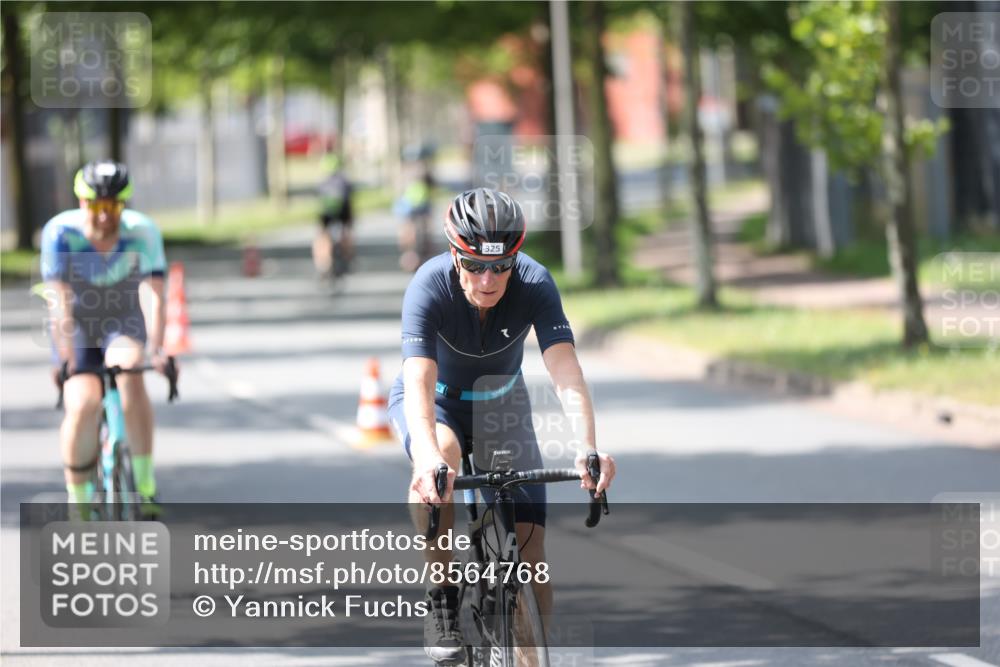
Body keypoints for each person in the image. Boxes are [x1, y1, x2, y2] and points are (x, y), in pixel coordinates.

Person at [387, 187, 616, 664]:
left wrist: (588, 446)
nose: (488, 279)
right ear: (454, 254)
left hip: (500, 404)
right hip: (437, 403)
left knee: (532, 564)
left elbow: (565, 369)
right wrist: (427, 457)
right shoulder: (428, 285)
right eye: (474, 265)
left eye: (501, 265)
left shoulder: (534, 282)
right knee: (440, 461)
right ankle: (442, 597)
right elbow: (419, 379)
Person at [41, 160, 173, 518]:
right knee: (83, 402)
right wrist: (68, 356)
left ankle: (144, 486)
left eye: (112, 207)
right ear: (82, 203)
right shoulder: (60, 233)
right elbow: (59, 301)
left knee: (131, 371)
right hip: (78, 322)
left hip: (122, 319)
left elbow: (155, 295)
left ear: (123, 206)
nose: (104, 216)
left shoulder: (142, 232)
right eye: (97, 206)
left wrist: (158, 349)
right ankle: (79, 501)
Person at [312, 153, 354, 278]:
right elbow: (350, 201)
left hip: (326, 214)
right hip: (343, 212)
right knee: (347, 233)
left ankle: (322, 263)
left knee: (321, 237)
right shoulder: (345, 182)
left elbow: (319, 202)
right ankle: (348, 257)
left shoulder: (321, 183)